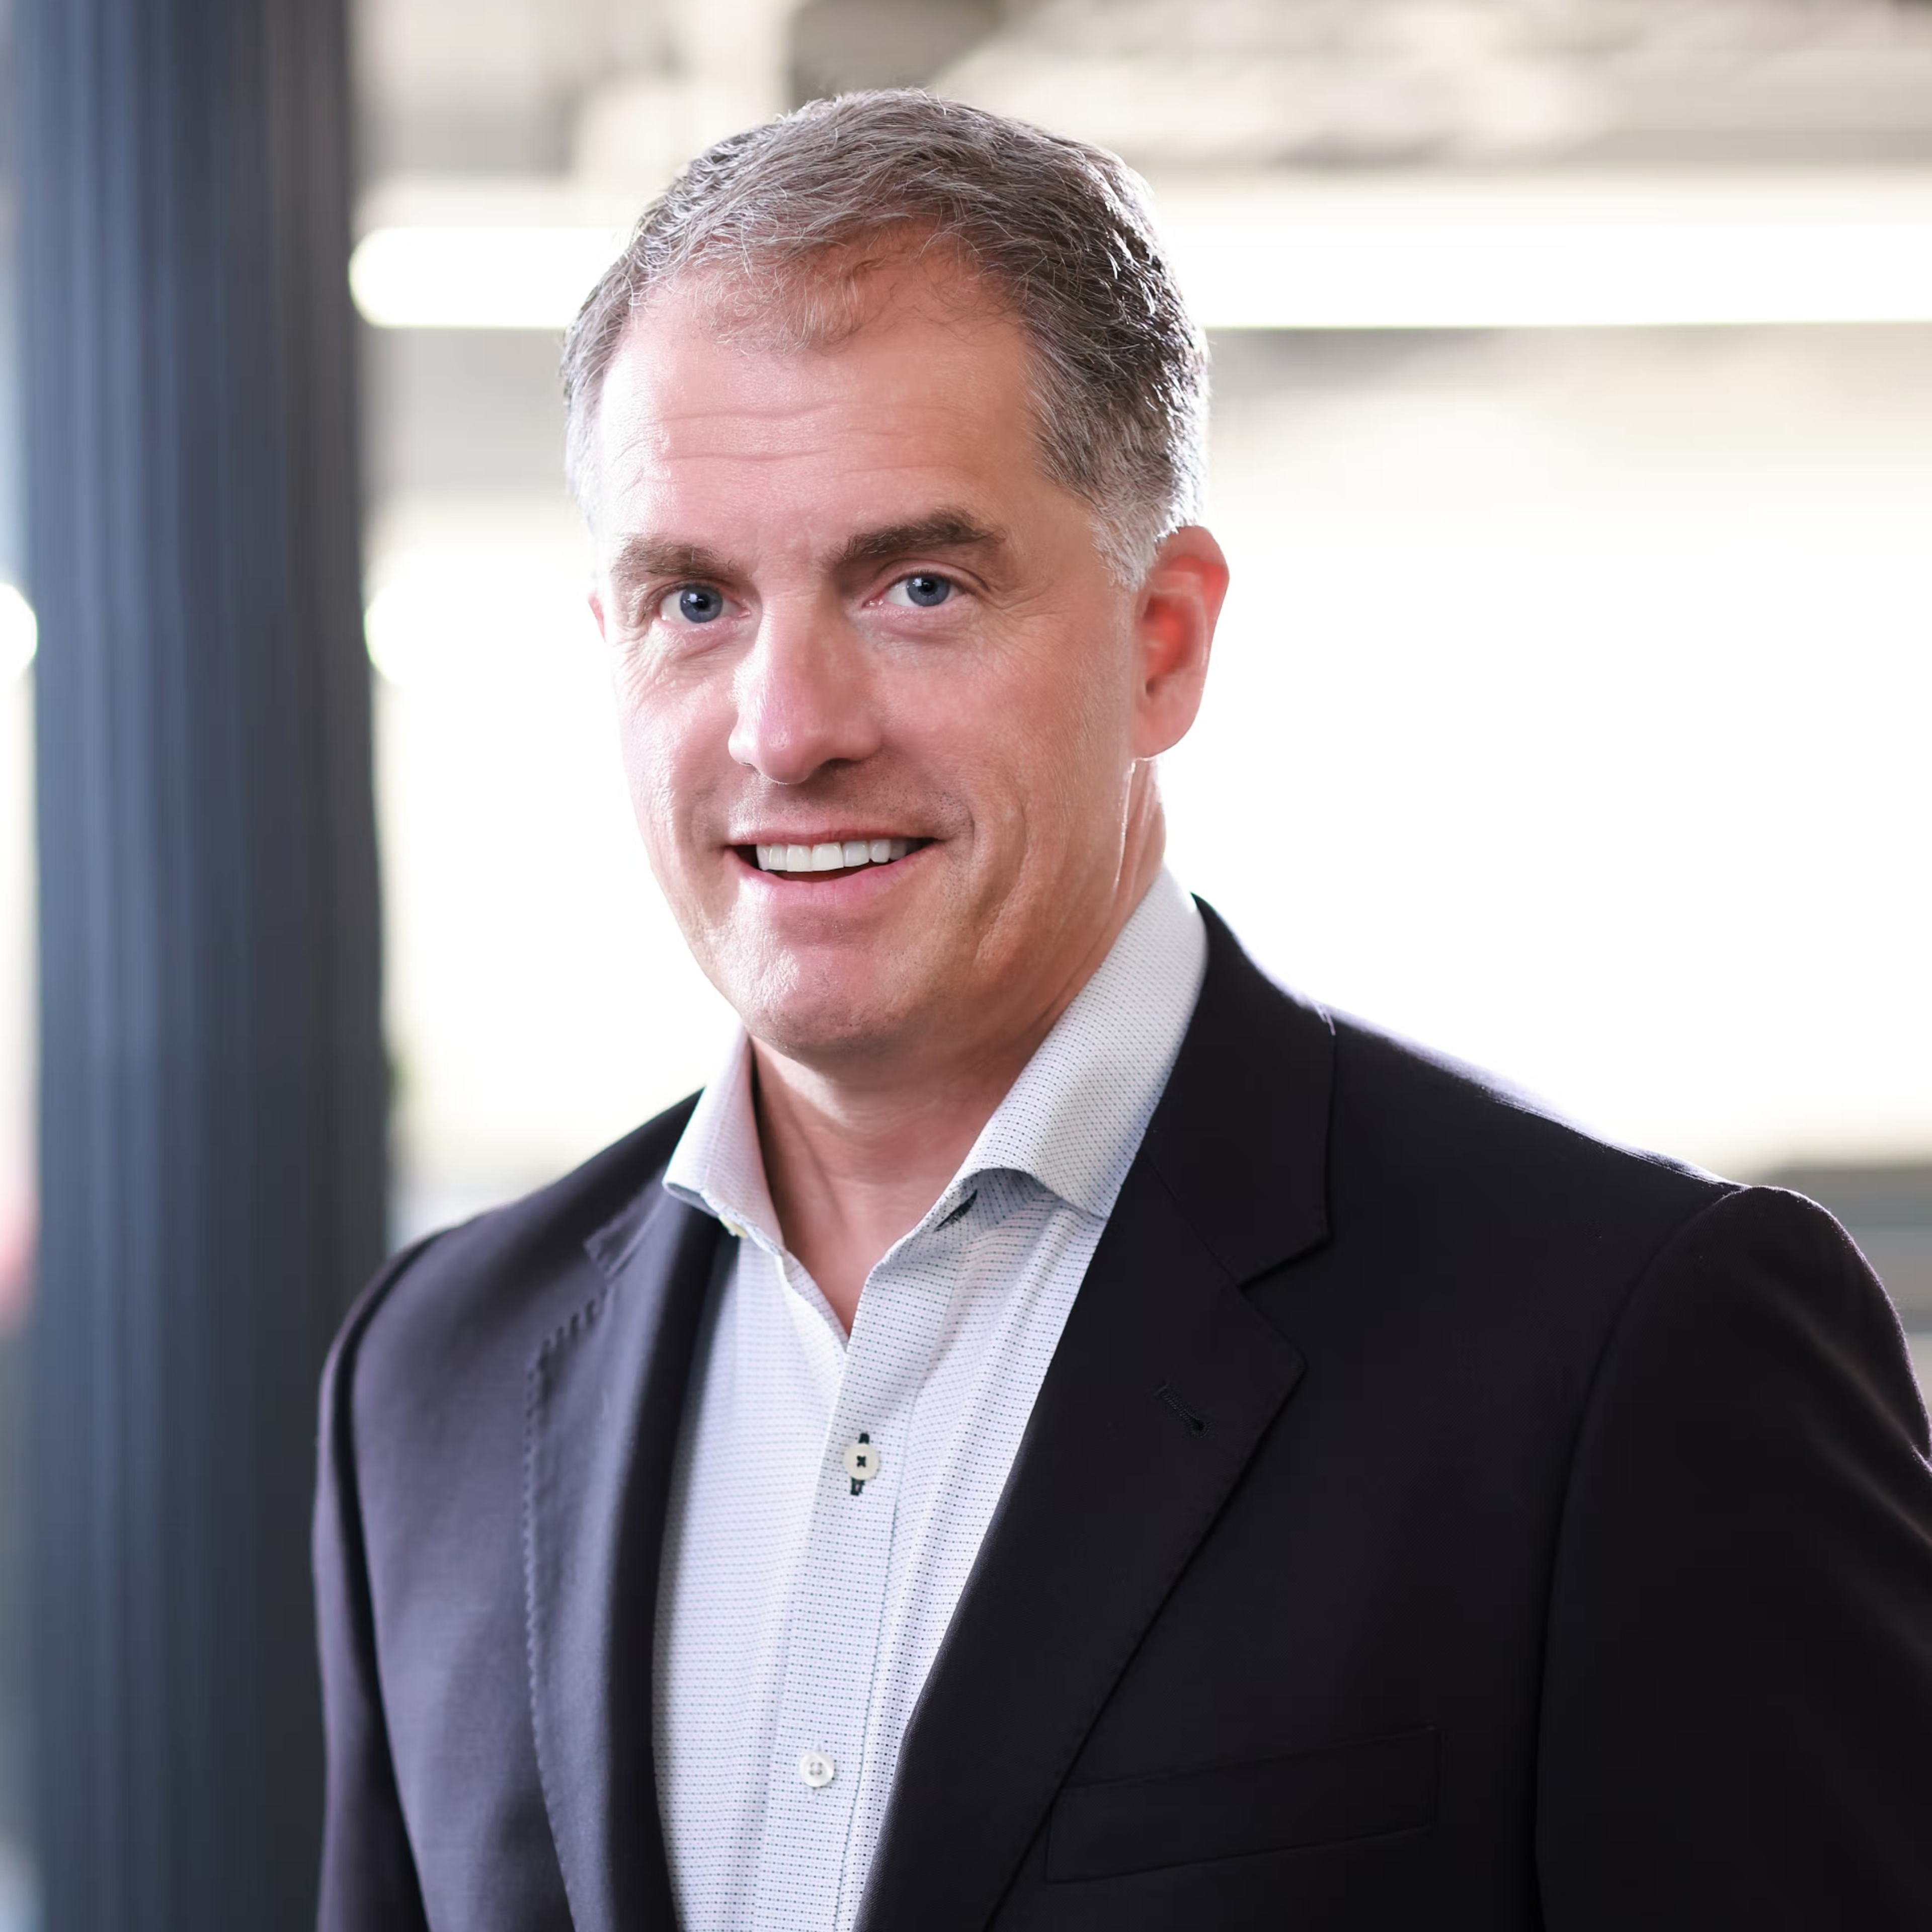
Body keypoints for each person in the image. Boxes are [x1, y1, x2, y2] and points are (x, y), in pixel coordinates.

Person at [313, 91, 1932, 1932]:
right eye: (694, 598)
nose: (786, 726)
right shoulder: (433, 1379)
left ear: (1164, 641)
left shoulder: (1624, 1349)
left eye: (917, 585)